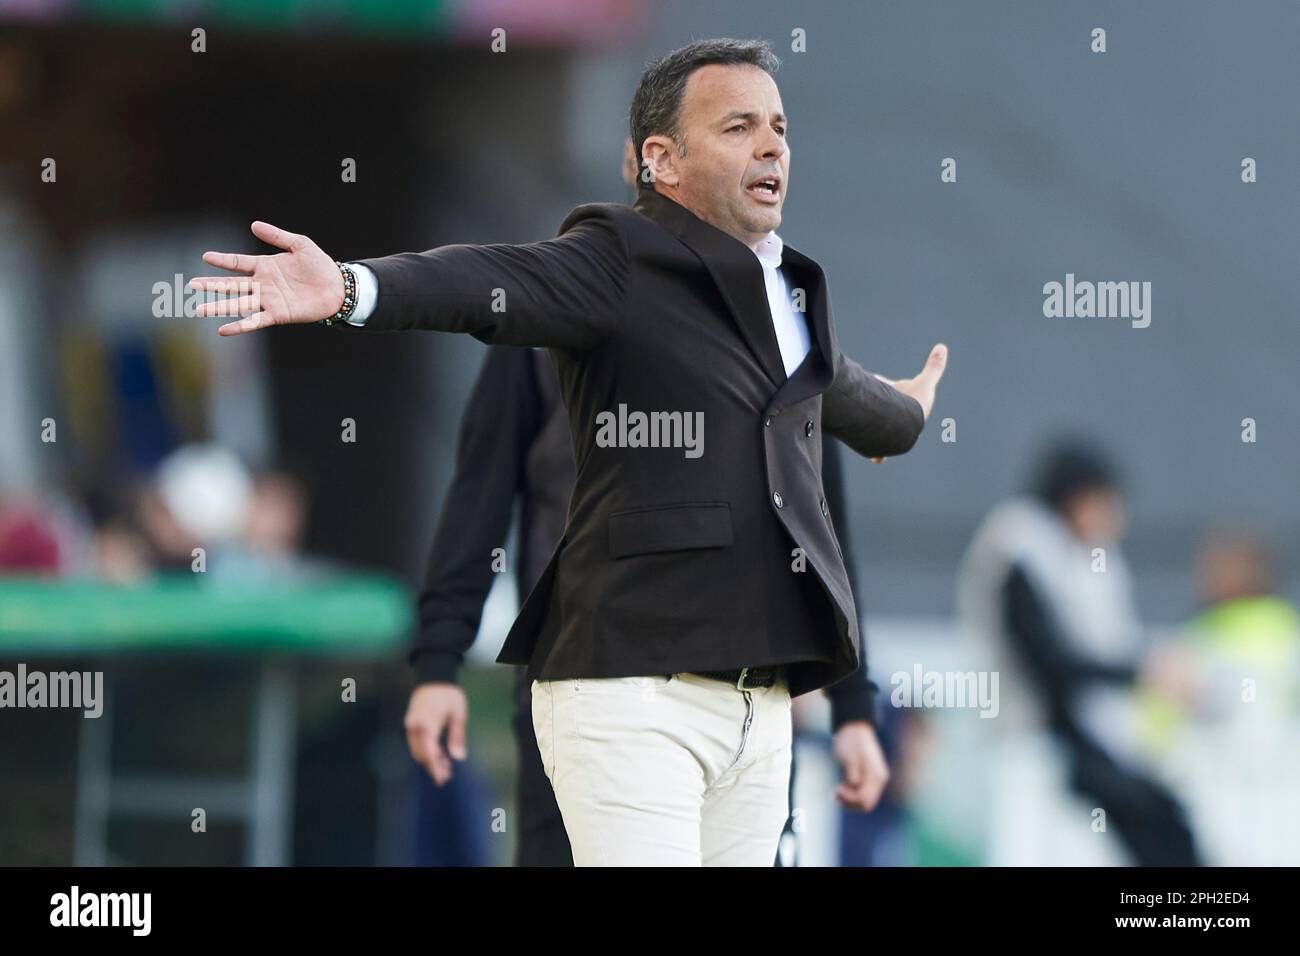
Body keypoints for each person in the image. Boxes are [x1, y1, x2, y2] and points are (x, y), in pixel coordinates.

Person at [190, 38, 947, 865]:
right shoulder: (618, 259)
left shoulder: (789, 301)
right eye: (739, 127)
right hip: (627, 690)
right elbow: (482, 281)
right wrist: (351, 289)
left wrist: (910, 413)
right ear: (660, 159)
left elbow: (856, 413)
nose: (772, 145)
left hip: (757, 709)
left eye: (779, 126)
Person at [406, 344, 882, 866]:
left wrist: (852, 705)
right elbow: (482, 491)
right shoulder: (550, 301)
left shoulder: (776, 307)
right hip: (590, 677)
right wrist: (439, 661)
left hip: (744, 700)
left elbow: (818, 520)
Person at [958, 439, 1199, 865]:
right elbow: (1048, 661)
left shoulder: (1078, 556)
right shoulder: (1020, 551)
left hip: (1082, 740)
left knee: (1167, 819)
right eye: (1104, 503)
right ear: (1076, 498)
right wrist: (1140, 673)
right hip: (1037, 739)